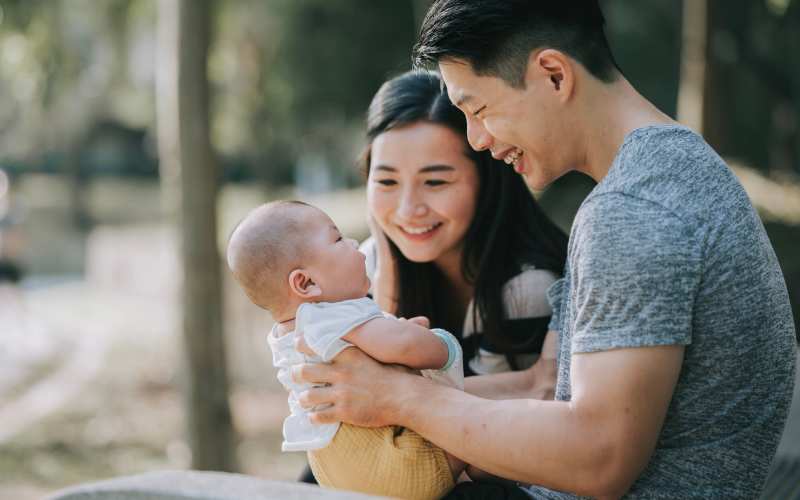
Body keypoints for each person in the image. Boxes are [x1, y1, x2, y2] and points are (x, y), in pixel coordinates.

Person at [293, 2, 798, 499]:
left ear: (553, 75)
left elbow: (599, 457)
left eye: (479, 109)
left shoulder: (633, 210)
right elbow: (548, 388)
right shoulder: (669, 170)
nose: (478, 139)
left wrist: (400, 398)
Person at [227, 200, 470, 499]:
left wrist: (394, 329)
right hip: (398, 466)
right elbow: (408, 347)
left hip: (336, 472)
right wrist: (439, 342)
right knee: (478, 440)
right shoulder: (330, 316)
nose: (355, 243)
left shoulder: (291, 331)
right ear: (306, 283)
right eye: (338, 239)